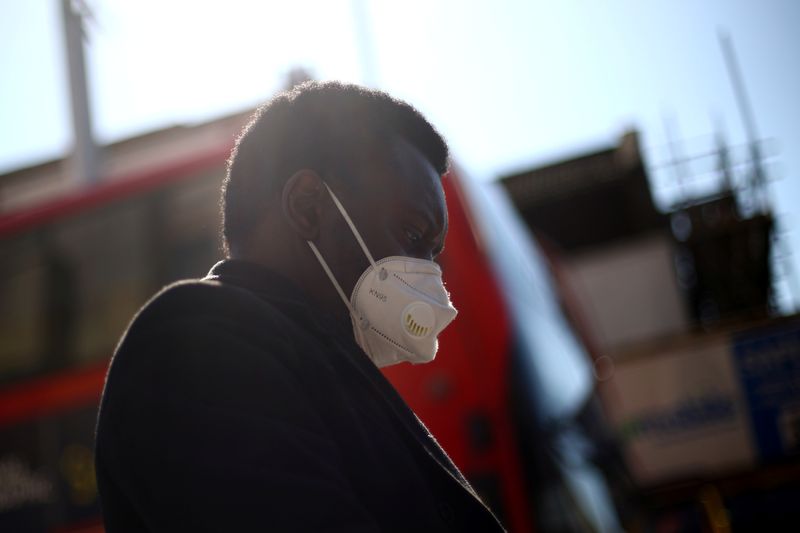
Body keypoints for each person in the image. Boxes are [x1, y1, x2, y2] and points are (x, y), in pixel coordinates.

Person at [95, 81, 506, 532]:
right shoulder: (193, 343)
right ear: (308, 206)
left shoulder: (332, 369)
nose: (432, 278)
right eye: (412, 236)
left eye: (433, 253)